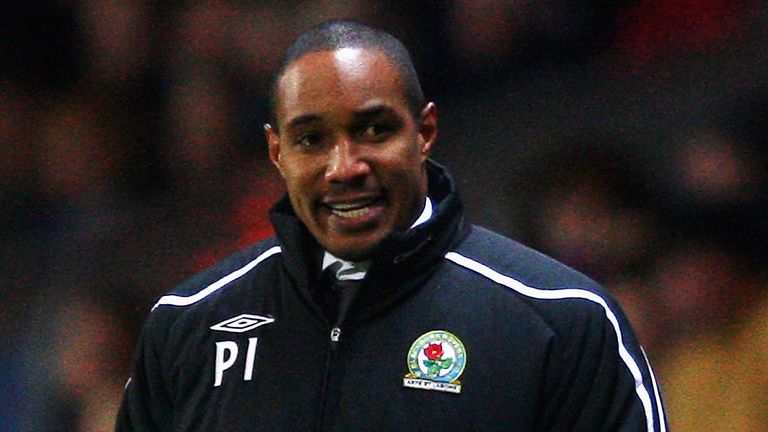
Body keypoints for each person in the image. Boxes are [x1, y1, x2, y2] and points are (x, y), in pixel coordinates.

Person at [116, 19, 667, 431]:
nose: (344, 168)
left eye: (374, 130)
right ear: (276, 151)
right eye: (312, 140)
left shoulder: (561, 319)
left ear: (424, 131)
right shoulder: (189, 325)